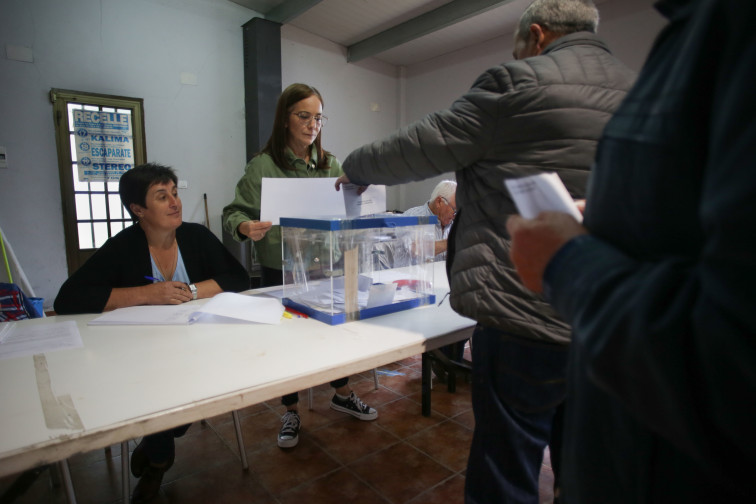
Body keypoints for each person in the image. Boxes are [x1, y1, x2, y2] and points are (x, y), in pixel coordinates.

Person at [334, 1, 636, 501]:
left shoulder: (514, 85)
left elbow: (413, 147)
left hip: (523, 313)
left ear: (536, 36)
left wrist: (356, 166)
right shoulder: (644, 91)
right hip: (609, 318)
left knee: (507, 467)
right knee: (588, 472)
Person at [506, 0, 756, 502]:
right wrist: (606, 215)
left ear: (536, 37)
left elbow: (734, 366)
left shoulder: (733, 28)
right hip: (619, 437)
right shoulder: (673, 44)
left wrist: (565, 261)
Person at [54, 163, 250, 503]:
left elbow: (238, 278)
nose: (175, 202)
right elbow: (68, 299)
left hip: (199, 345)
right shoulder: (124, 246)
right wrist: (147, 294)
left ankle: (158, 445)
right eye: (162, 196)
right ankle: (158, 459)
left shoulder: (196, 236)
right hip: (142, 353)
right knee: (157, 388)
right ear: (138, 210)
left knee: (195, 388)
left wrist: (189, 291)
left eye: (175, 193)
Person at [222, 83, 377, 450]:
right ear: (285, 119)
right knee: (287, 344)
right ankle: (290, 410)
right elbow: (234, 212)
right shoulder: (263, 165)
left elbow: (348, 204)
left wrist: (361, 193)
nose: (312, 125)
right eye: (304, 116)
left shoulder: (330, 163)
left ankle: (341, 392)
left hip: (326, 264)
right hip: (282, 269)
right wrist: (245, 226)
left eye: (319, 118)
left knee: (332, 334)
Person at [403, 179, 457, 260]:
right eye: (454, 210)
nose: (455, 216)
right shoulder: (413, 217)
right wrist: (452, 242)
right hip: (414, 272)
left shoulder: (452, 223)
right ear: (439, 202)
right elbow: (413, 249)